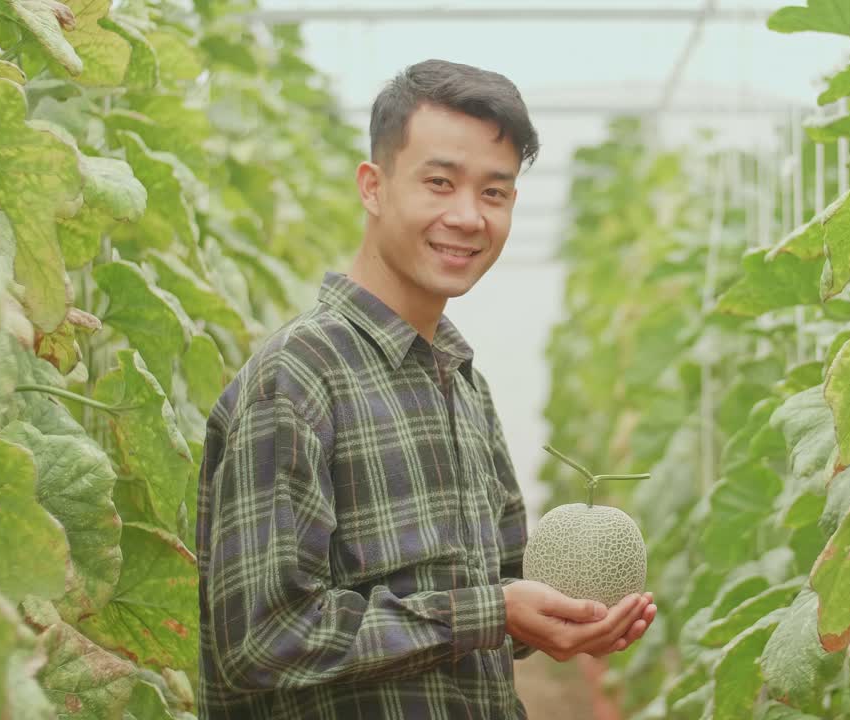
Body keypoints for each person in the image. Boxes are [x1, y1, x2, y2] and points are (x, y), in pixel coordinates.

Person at [195, 59, 657, 719]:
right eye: (440, 183)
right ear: (373, 187)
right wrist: (492, 610)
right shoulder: (296, 378)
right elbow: (263, 639)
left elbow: (488, 604)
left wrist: (553, 619)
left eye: (493, 193)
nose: (468, 216)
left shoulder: (464, 383)